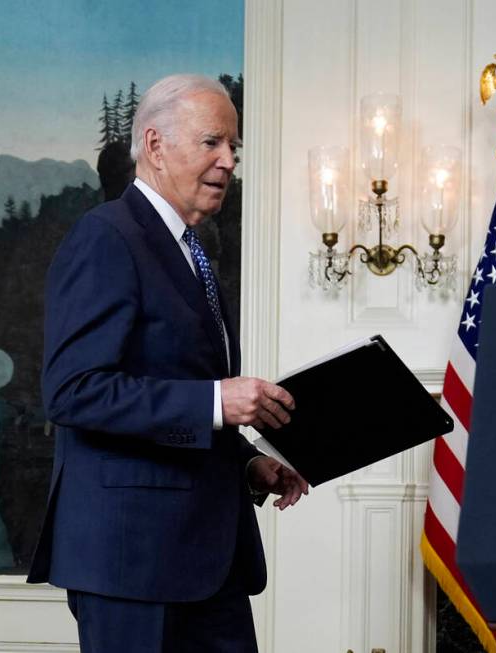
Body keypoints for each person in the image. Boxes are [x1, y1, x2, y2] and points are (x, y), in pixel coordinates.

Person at [26, 74, 308, 652]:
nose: (228, 161)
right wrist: (216, 402)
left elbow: (176, 387)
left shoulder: (192, 249)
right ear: (154, 146)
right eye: (213, 143)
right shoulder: (105, 236)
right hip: (132, 566)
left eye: (234, 147)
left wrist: (248, 463)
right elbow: (73, 390)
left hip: (210, 562)